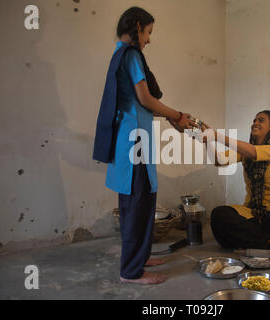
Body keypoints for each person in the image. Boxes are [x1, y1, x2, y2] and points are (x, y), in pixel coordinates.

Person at [93, 7, 195, 285]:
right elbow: (146, 99)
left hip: (128, 139)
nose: (149, 39)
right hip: (135, 142)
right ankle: (131, 271)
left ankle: (139, 256)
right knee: (139, 203)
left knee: (134, 203)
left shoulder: (119, 55)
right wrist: (176, 115)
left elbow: (140, 104)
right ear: (137, 27)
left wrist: (173, 117)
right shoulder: (133, 55)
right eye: (148, 32)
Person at [202, 110, 270, 257]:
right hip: (252, 213)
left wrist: (217, 136)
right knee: (219, 214)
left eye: (261, 120)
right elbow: (218, 161)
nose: (255, 123)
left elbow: (253, 152)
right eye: (254, 120)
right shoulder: (245, 150)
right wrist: (207, 140)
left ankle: (255, 242)